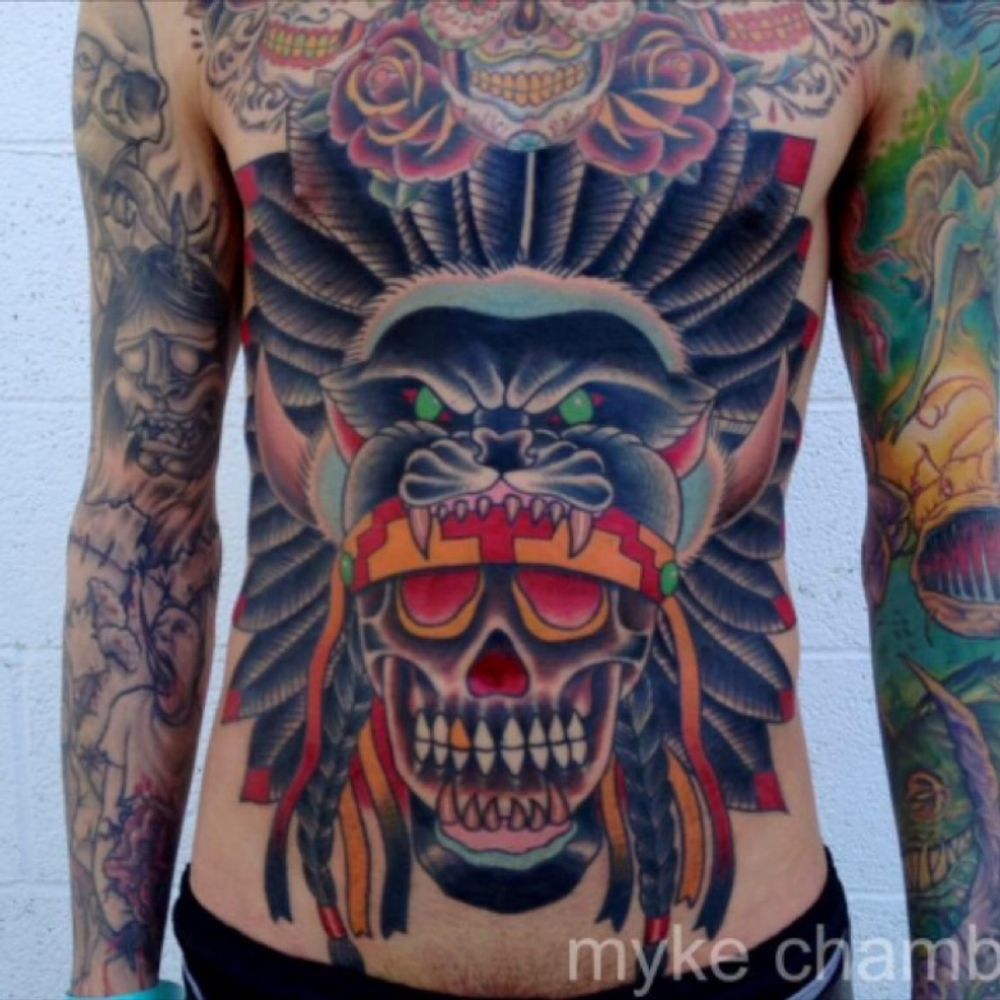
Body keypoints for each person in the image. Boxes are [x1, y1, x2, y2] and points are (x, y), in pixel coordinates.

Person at [61, 2, 1000, 998]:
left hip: (739, 969)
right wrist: (109, 978)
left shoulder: (903, 14)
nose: (498, 666)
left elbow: (946, 505)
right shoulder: (176, 14)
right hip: (270, 967)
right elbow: (144, 505)